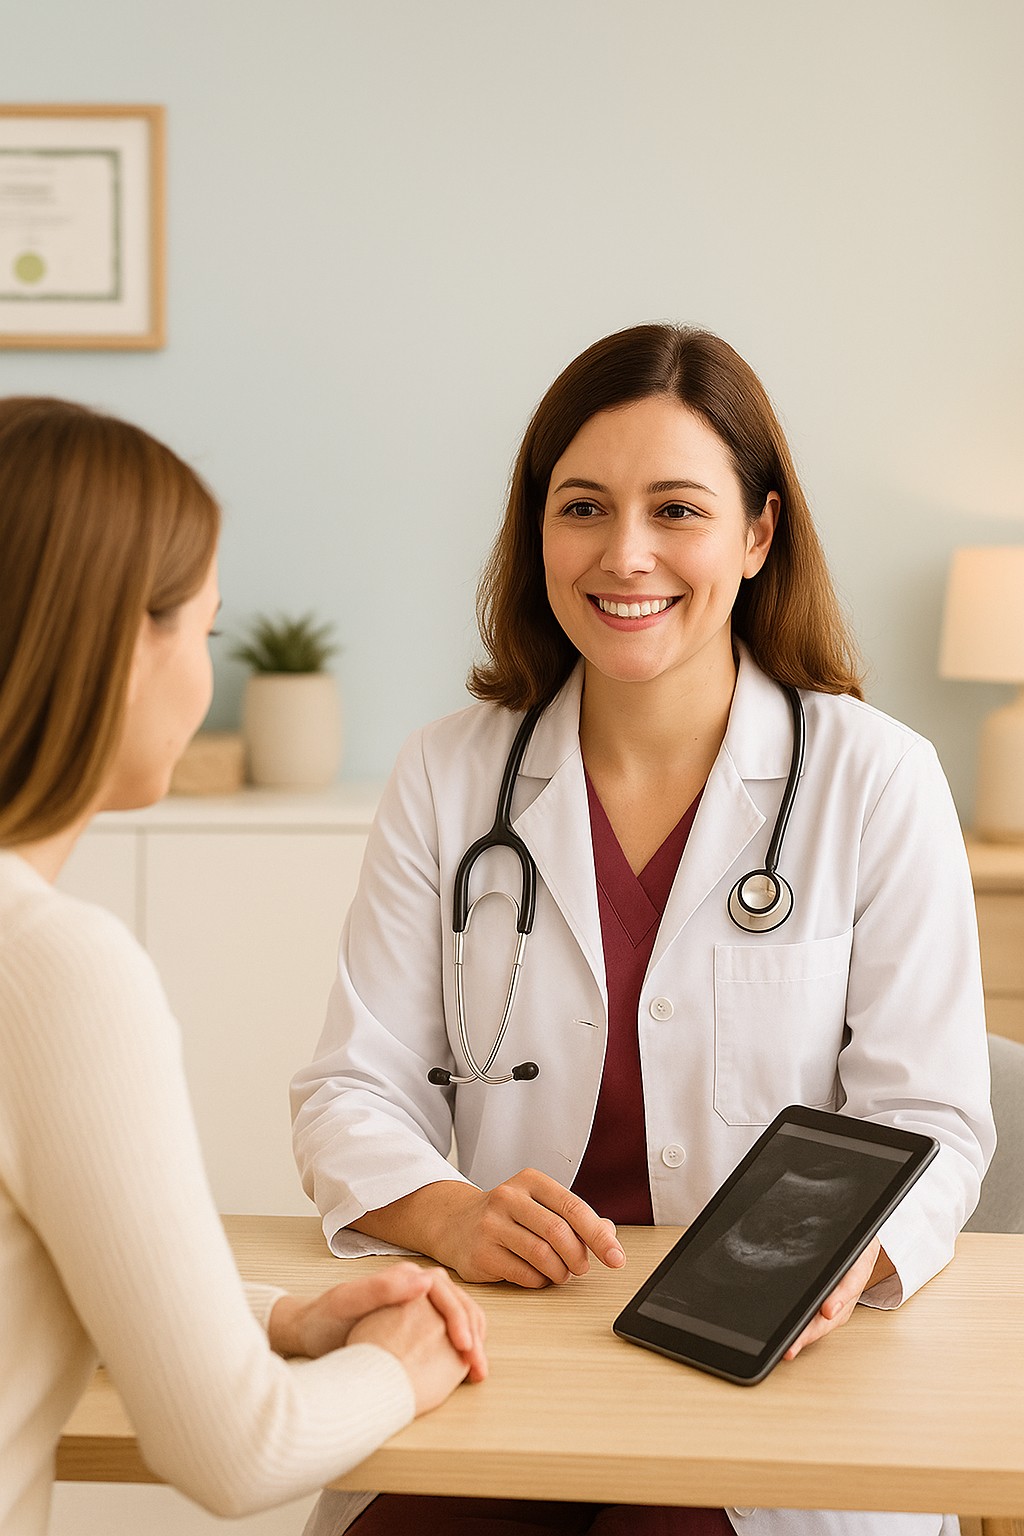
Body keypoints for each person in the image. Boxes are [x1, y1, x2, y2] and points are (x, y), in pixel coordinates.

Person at [291, 325, 994, 1536]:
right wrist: (450, 1212)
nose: (625, 555)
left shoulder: (874, 778)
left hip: (761, 1374)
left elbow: (930, 1121)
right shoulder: (450, 778)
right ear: (538, 531)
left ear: (758, 533)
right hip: (501, 1353)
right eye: (583, 508)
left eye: (677, 510)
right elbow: (351, 1089)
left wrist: (844, 1262)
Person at [0, 397, 488, 1536]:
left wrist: (273, 1316)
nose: (204, 682)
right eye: (203, 633)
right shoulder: (52, 971)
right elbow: (236, 1448)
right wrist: (400, 1362)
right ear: (121, 640)